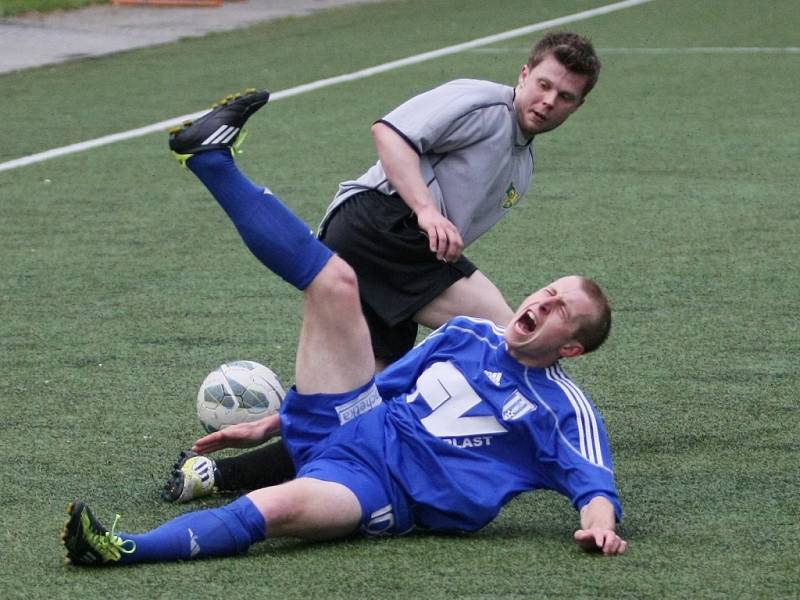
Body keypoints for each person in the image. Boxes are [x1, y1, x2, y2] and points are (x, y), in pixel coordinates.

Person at [61, 90, 627, 566]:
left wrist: (599, 526)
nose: (543, 303)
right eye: (549, 292)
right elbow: (382, 386)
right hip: (355, 422)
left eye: (559, 311)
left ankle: (122, 548)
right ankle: (211, 160)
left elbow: (595, 486)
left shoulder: (562, 407)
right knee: (336, 283)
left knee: (277, 510)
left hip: (380, 487)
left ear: (571, 347)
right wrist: (276, 422)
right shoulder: (466, 335)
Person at [163, 30, 604, 503]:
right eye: (543, 84)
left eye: (564, 96)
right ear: (523, 74)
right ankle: (557, 425)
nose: (547, 100)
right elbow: (390, 134)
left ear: (577, 107)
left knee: (358, 413)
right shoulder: (482, 104)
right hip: (380, 223)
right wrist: (426, 211)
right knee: (503, 329)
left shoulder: (523, 164)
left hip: (398, 253)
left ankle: (210, 474)